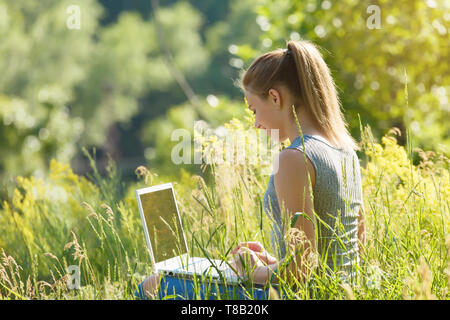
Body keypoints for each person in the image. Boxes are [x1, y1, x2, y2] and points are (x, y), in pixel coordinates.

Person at [135, 39, 366, 300]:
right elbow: (354, 245)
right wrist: (270, 264)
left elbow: (303, 267)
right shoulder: (346, 152)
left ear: (275, 97)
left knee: (153, 286)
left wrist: (252, 272)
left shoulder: (294, 158)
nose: (255, 123)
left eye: (254, 109)